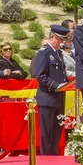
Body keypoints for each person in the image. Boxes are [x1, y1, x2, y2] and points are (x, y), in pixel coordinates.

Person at [34, 25, 70, 155]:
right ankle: (46, 158)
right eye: (60, 40)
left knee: (56, 132)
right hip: (47, 98)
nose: (62, 43)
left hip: (59, 99)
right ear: (52, 37)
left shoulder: (59, 54)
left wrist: (68, 83)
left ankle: (54, 157)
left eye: (63, 40)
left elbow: (61, 74)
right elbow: (40, 76)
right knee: (47, 133)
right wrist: (56, 85)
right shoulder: (43, 53)